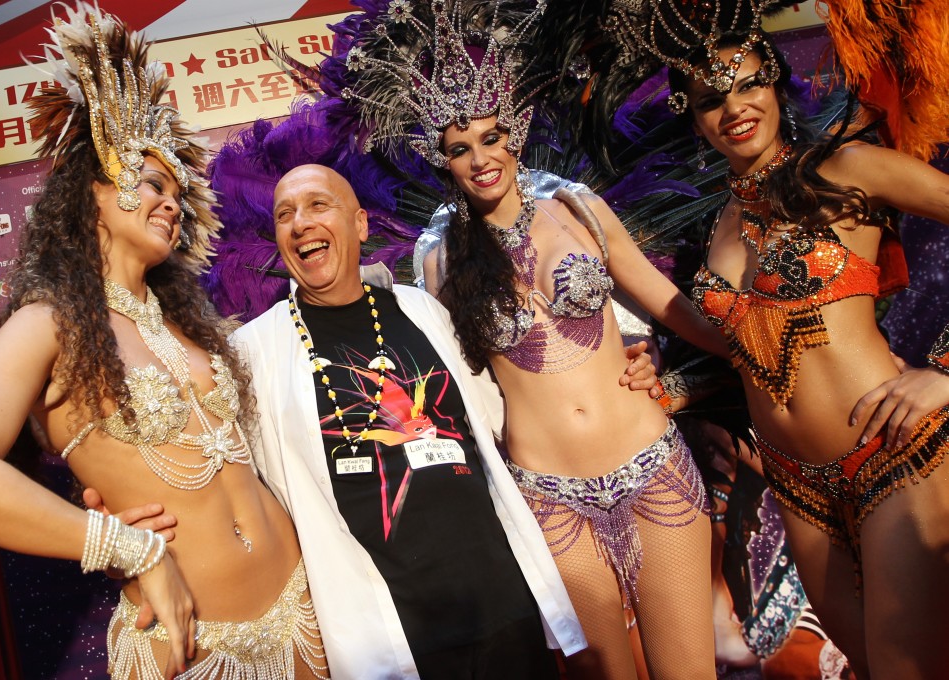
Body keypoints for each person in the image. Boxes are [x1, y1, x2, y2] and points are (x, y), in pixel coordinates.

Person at [0, 7, 328, 680]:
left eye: (177, 193)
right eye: (150, 184)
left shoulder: (190, 325)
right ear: (93, 195)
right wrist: (123, 546)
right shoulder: (49, 325)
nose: (171, 203)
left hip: (307, 615)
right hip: (193, 646)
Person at [340, 2, 730, 677]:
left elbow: (667, 303)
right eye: (460, 148)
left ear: (515, 133)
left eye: (492, 138)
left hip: (652, 469)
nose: (480, 158)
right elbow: (448, 391)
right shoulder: (437, 257)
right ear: (444, 159)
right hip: (548, 500)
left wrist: (744, 352)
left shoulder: (577, 206)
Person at [231, 163, 660, 679]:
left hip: (502, 602)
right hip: (392, 635)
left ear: (361, 224)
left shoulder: (423, 310)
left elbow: (508, 402)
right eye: (285, 214)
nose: (300, 223)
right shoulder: (255, 351)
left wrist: (621, 365)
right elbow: (228, 472)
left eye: (318, 205)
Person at [648, 9, 949, 677]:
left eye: (748, 85)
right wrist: (671, 383)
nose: (734, 108)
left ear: (777, 85)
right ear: (693, 117)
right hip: (797, 487)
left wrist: (945, 371)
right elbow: (754, 343)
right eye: (710, 99)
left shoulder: (850, 168)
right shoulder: (720, 222)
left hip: (892, 459)